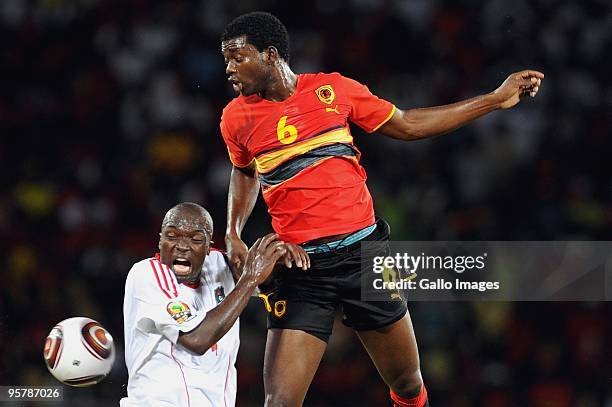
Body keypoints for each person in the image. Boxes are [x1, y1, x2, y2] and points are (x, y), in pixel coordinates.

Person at [219, 12, 544, 407]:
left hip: (365, 257)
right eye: (225, 61)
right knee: (280, 402)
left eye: (238, 58)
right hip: (301, 270)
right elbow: (245, 171)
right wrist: (233, 231)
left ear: (270, 55)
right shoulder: (236, 118)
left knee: (408, 385)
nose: (230, 69)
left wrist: (493, 99)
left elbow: (407, 124)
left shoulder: (333, 90)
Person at [120, 202, 288, 407]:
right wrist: (250, 277)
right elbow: (197, 340)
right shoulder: (147, 275)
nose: (181, 246)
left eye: (196, 239)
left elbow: (269, 282)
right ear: (160, 240)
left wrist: (286, 256)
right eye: (171, 236)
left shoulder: (219, 264)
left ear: (209, 246)